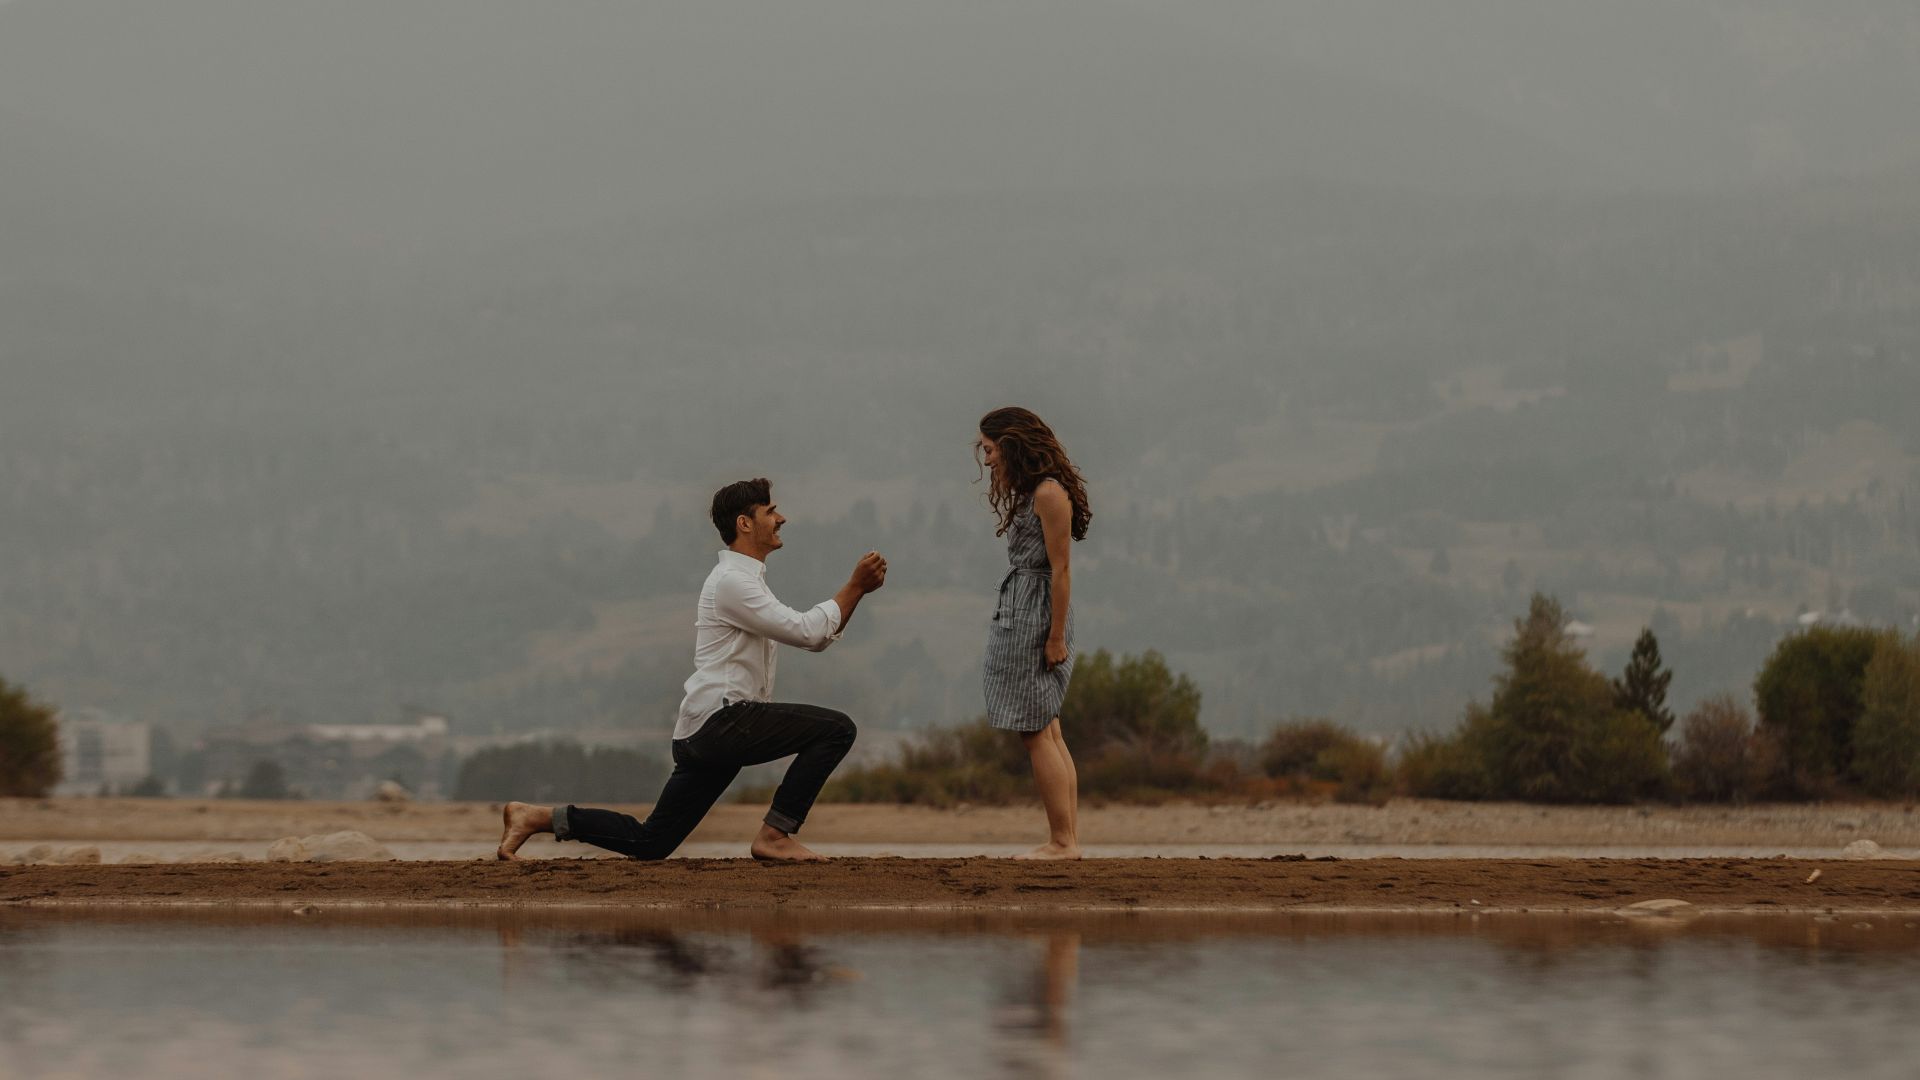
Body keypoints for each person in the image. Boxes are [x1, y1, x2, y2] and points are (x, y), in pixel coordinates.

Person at [496, 478, 886, 862]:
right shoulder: (733, 581)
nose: (781, 518)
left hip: (703, 732)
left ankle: (536, 817)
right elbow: (807, 633)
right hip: (724, 723)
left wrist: (856, 591)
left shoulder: (745, 580)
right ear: (744, 523)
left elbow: (815, 636)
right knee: (837, 730)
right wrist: (855, 586)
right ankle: (775, 835)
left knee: (651, 843)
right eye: (771, 511)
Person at [976, 407, 1091, 860]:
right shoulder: (1033, 490)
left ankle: (1062, 841)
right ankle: (1068, 839)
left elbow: (1061, 570)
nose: (987, 460)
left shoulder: (1047, 493)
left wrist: (1055, 636)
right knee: (1048, 728)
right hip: (1023, 604)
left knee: (1035, 729)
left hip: (1034, 612)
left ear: (1010, 444)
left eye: (989, 450)